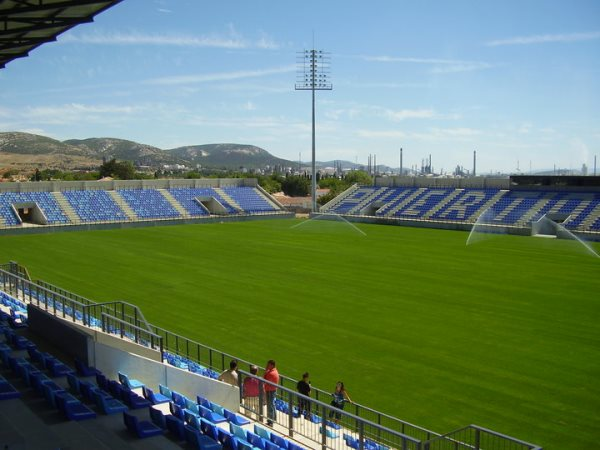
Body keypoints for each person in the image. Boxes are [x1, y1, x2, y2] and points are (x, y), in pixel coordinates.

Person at [263, 359, 279, 426]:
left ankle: (270, 421)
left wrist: (266, 371)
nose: (267, 366)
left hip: (270, 391)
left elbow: (264, 379)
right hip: (273, 390)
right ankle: (274, 419)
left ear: (272, 365)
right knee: (272, 404)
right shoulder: (275, 371)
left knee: (270, 405)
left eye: (268, 365)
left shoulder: (271, 373)